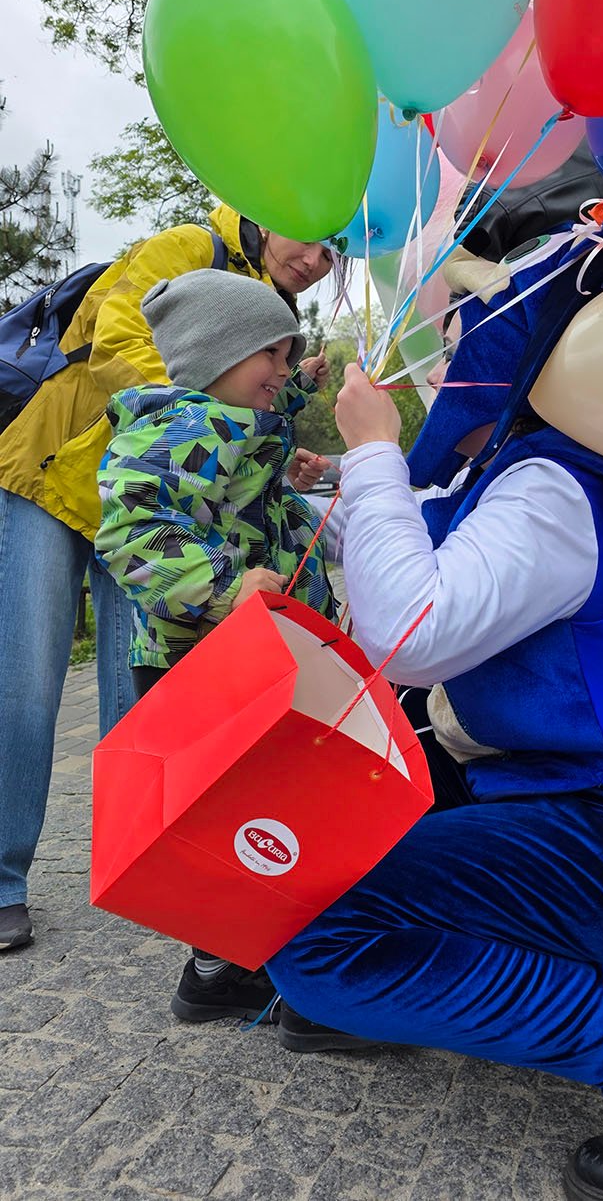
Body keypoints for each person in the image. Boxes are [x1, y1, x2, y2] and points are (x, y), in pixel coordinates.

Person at [265, 225, 603, 1201]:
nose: (437, 362)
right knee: (355, 826)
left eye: (453, 336)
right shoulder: (557, 467)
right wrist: (328, 491)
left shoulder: (556, 484)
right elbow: (424, 551)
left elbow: (412, 628)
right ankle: (420, 985)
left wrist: (374, 450)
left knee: (317, 933)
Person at [0, 201, 338, 951]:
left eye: (333, 254)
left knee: (145, 692)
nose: (318, 261)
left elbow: (240, 410)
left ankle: (145, 855)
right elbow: (125, 339)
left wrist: (279, 408)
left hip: (170, 514)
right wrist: (211, 419)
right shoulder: (190, 246)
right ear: (272, 208)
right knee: (26, 679)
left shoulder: (267, 309)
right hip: (60, 474)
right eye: (314, 239)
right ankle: (1, 882)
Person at [95, 267, 336, 1022]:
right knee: (231, 813)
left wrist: (292, 462)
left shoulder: (235, 425)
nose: (283, 370)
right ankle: (234, 969)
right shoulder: (178, 427)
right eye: (272, 353)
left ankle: (224, 966)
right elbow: (132, 533)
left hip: (244, 654)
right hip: (194, 660)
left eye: (289, 354)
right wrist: (227, 586)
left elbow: (245, 501)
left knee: (257, 804)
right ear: (216, 354)